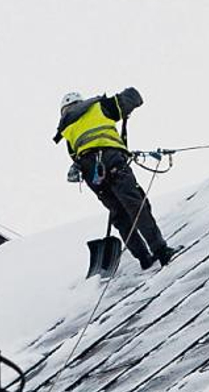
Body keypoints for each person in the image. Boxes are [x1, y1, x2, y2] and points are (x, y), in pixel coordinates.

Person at [54, 88, 175, 270]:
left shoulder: (66, 130)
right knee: (136, 205)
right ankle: (162, 251)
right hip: (111, 160)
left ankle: (144, 258)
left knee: (119, 214)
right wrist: (127, 107)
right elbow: (133, 96)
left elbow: (76, 155)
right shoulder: (98, 107)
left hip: (91, 173)